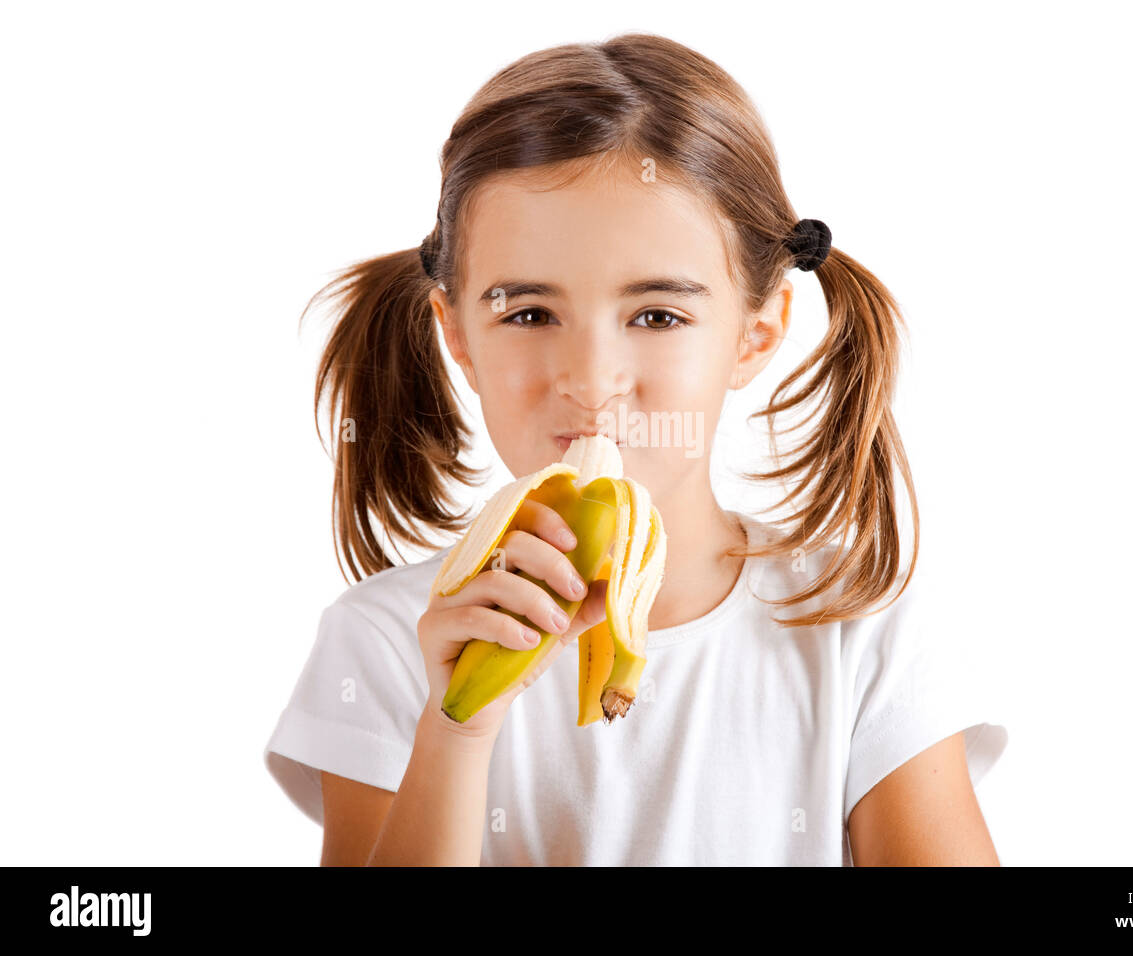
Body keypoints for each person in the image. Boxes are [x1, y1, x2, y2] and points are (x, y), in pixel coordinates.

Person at [263, 31, 1008, 866]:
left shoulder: (861, 628)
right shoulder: (386, 644)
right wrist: (454, 732)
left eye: (657, 315)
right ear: (459, 338)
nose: (590, 379)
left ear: (755, 336)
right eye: (529, 314)